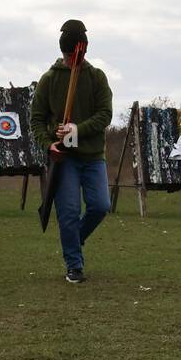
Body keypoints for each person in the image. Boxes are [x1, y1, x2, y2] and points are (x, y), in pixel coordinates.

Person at [31, 19, 113, 283]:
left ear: (83, 51)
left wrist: (78, 129)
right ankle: (74, 265)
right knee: (67, 212)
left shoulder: (97, 77)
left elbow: (105, 115)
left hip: (92, 158)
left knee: (100, 206)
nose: (70, 61)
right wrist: (48, 143)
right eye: (67, 56)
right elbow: (37, 119)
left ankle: (73, 241)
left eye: (74, 55)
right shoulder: (50, 79)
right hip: (64, 160)